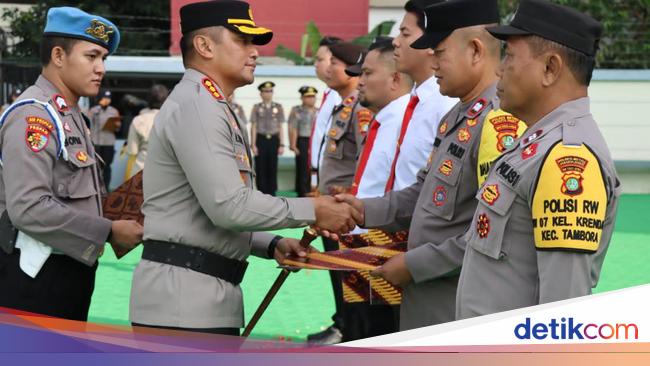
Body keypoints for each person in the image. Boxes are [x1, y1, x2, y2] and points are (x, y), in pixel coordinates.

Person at [129, 0, 362, 336]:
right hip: (184, 304)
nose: (254, 52)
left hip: (198, 296)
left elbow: (208, 212)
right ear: (205, 45)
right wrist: (314, 209)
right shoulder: (199, 106)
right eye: (242, 41)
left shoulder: (210, 104)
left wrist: (272, 243)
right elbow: (229, 206)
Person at [336, 0, 527, 330]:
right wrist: (362, 209)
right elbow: (424, 193)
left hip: (458, 306)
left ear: (476, 51)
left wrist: (414, 264)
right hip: (428, 298)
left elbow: (493, 233)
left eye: (439, 52)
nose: (432, 63)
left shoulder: (498, 123)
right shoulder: (457, 115)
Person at [455, 0, 620, 319]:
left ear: (550, 69)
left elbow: (562, 309)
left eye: (510, 57)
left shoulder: (566, 158)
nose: (499, 69)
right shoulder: (536, 142)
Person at [0, 6, 142, 321]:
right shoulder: (35, 115)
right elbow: (28, 207)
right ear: (59, 56)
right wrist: (107, 230)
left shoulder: (70, 115)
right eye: (91, 57)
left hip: (68, 270)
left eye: (104, 59)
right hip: (36, 277)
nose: (101, 68)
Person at [341, 37, 413, 340]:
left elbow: (407, 187)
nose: (359, 81)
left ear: (395, 79)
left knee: (379, 334)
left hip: (385, 242)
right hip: (365, 239)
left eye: (368, 73)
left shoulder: (405, 121)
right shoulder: (385, 119)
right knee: (361, 329)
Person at [387, 0, 457, 191]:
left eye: (405, 33)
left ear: (430, 44)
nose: (395, 41)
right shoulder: (416, 100)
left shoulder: (446, 105)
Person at [308, 36, 342, 194]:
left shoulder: (339, 97)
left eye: (320, 59)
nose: (315, 64)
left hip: (331, 175)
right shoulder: (330, 94)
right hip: (321, 173)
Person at [124, 84, 169, 179]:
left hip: (141, 170)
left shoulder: (138, 120)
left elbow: (132, 151)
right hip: (167, 173)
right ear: (166, 100)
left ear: (148, 100)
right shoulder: (174, 119)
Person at [250, 81, 285, 196]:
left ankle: (272, 192)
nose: (268, 93)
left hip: (274, 140)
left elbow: (280, 126)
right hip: (261, 140)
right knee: (260, 167)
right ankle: (261, 192)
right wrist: (253, 144)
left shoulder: (278, 107)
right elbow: (254, 126)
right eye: (265, 91)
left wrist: (282, 144)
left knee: (272, 166)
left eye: (270, 91)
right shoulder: (256, 108)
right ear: (260, 93)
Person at [288, 86, 318, 197]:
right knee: (303, 168)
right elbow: (293, 128)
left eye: (313, 97)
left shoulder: (318, 111)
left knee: (314, 168)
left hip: (315, 143)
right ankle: (302, 193)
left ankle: (314, 191)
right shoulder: (297, 111)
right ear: (302, 98)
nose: (311, 99)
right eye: (308, 97)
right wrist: (293, 144)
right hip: (303, 141)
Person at [89, 89, 120, 191]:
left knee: (107, 167)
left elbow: (118, 128)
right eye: (105, 98)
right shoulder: (94, 110)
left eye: (108, 98)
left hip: (108, 143)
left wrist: (116, 125)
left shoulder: (114, 111)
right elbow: (87, 124)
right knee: (96, 167)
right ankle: (96, 189)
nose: (107, 100)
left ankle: (106, 188)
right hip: (96, 142)